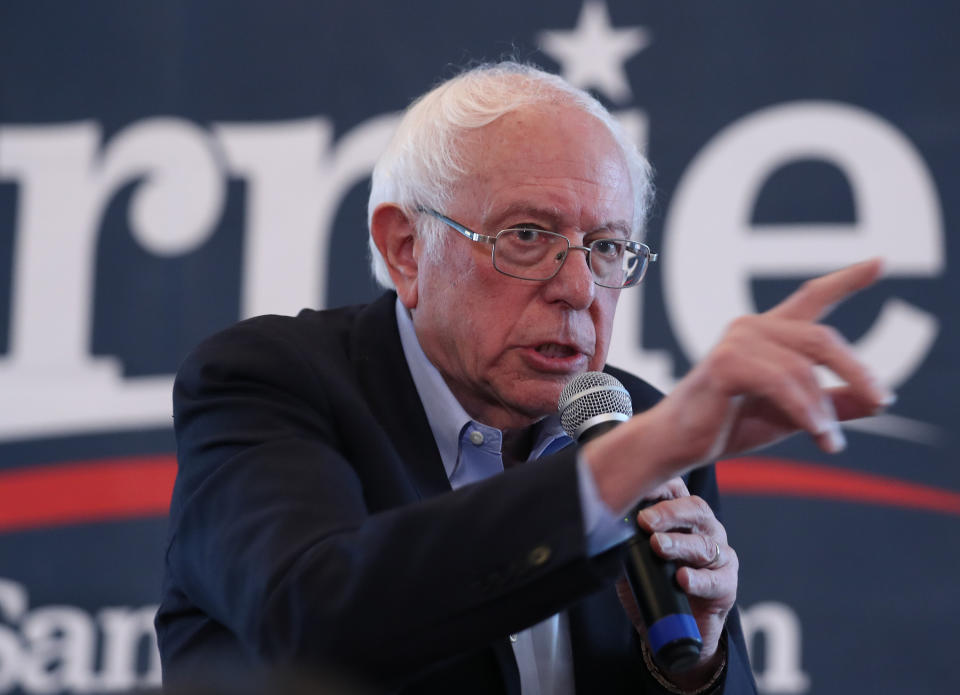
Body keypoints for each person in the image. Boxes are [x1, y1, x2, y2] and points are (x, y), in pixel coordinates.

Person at [156, 62, 891, 694]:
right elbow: (311, 626)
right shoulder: (267, 382)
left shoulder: (639, 422)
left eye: (606, 246)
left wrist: (693, 667)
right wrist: (613, 474)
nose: (578, 287)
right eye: (529, 237)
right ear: (407, 248)